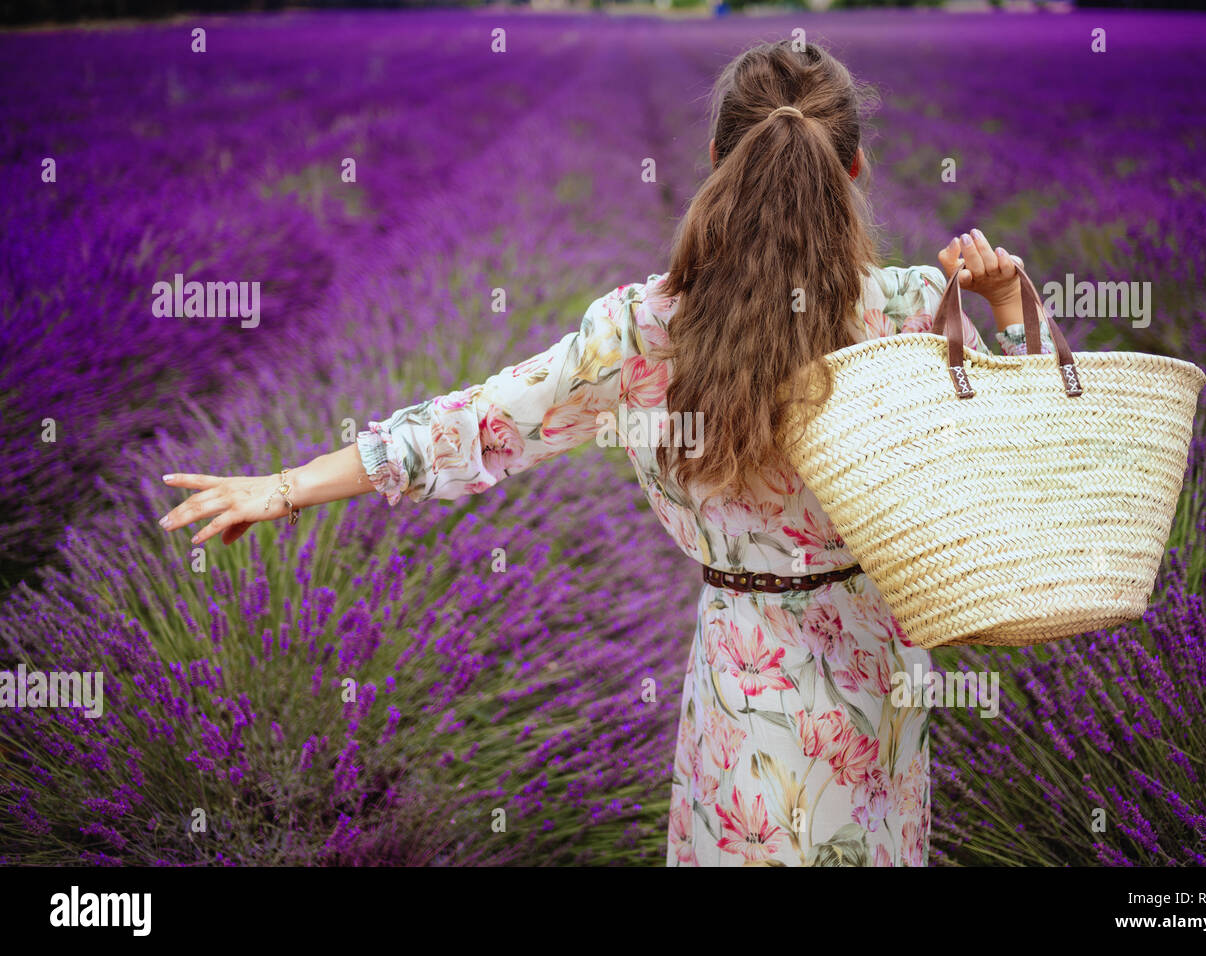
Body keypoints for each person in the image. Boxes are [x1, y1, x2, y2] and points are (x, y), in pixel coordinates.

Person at [158, 39, 1052, 866]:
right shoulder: (908, 307)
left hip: (742, 671)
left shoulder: (643, 327)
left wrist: (287, 486)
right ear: (852, 170)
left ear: (715, 165)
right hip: (877, 675)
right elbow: (1030, 452)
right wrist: (1011, 307)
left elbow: (476, 427)